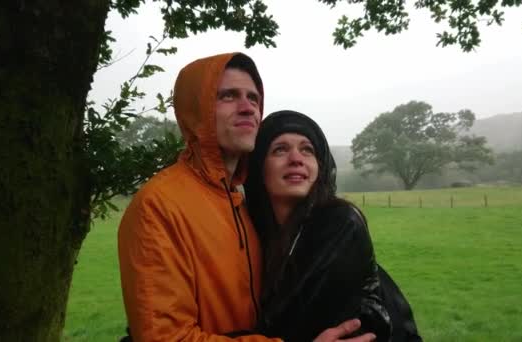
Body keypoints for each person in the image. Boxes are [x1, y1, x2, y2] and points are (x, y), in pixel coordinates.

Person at [118, 53, 377, 342]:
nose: (247, 108)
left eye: (254, 99)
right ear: (196, 109)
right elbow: (164, 338)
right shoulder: (160, 205)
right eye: (228, 96)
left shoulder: (242, 208)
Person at [245, 110, 421, 342]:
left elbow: (285, 323)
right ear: (259, 169)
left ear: (319, 166)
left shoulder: (340, 223)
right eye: (280, 149)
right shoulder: (254, 234)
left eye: (307, 149)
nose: (296, 158)